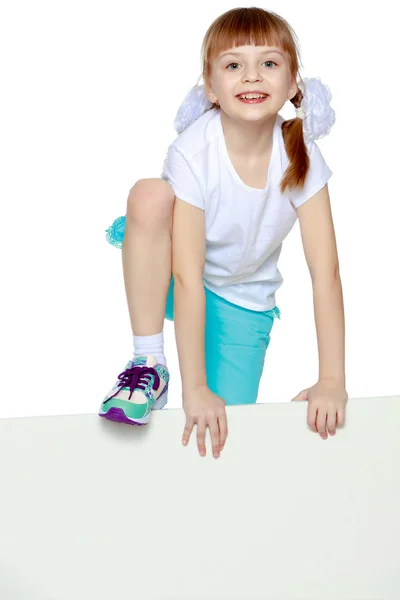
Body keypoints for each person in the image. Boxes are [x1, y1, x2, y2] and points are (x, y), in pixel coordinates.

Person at [99, 7, 348, 458]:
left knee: (221, 432)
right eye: (234, 65)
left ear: (293, 84)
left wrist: (332, 380)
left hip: (242, 298)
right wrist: (193, 385)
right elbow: (189, 278)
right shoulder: (194, 150)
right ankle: (148, 362)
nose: (252, 77)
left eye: (269, 64)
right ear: (211, 87)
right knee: (150, 196)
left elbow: (325, 273)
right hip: (173, 271)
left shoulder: (301, 156)